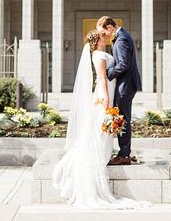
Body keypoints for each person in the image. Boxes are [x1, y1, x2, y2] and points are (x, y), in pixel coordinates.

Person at [52, 27, 149, 210]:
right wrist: (105, 100)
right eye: (102, 36)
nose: (105, 37)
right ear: (97, 40)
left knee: (103, 131)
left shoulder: (102, 52)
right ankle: (101, 158)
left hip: (111, 92)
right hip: (106, 93)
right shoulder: (98, 55)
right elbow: (102, 78)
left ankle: (110, 153)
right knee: (100, 130)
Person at [97, 16, 142, 165]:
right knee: (123, 118)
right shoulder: (122, 37)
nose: (105, 36)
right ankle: (125, 152)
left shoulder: (121, 40)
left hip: (125, 86)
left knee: (123, 119)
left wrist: (106, 74)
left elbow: (123, 65)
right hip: (126, 84)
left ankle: (124, 155)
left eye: (105, 32)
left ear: (110, 27)